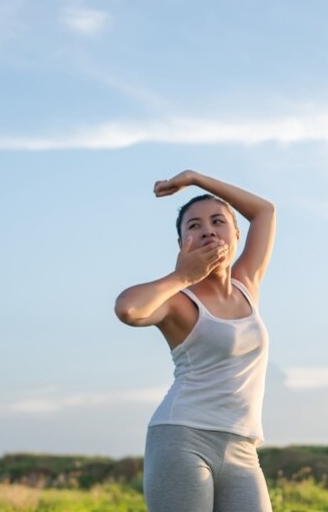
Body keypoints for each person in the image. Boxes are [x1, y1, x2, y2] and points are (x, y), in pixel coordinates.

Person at [114, 170, 276, 512]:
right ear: (181, 245)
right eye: (194, 226)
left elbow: (264, 212)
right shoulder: (179, 302)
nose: (207, 230)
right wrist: (182, 275)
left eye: (218, 221)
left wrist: (195, 179)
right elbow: (128, 309)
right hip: (182, 439)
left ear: (236, 234)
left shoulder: (248, 283)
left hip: (243, 449)